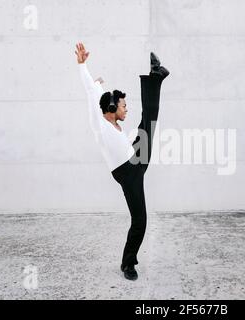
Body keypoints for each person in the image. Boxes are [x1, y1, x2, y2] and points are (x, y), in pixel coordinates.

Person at [75, 43, 169, 281]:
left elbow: (96, 90)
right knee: (140, 221)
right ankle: (128, 264)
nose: (125, 110)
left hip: (136, 157)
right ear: (111, 108)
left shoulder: (112, 118)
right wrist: (82, 65)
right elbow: (90, 92)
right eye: (123, 106)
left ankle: (155, 77)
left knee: (149, 119)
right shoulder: (100, 126)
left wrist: (98, 85)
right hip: (129, 174)